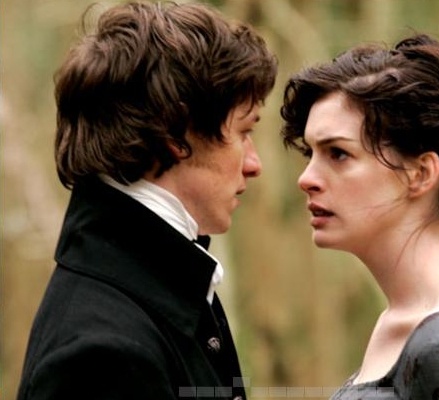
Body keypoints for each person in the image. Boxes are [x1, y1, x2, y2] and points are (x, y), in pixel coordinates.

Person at [17, 2, 277, 399]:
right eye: (243, 132)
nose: (254, 164)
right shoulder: (102, 357)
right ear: (176, 134)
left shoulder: (159, 291)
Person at [280, 34, 439, 399]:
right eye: (310, 154)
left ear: (421, 174)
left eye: (338, 153)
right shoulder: (405, 322)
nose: (306, 179)